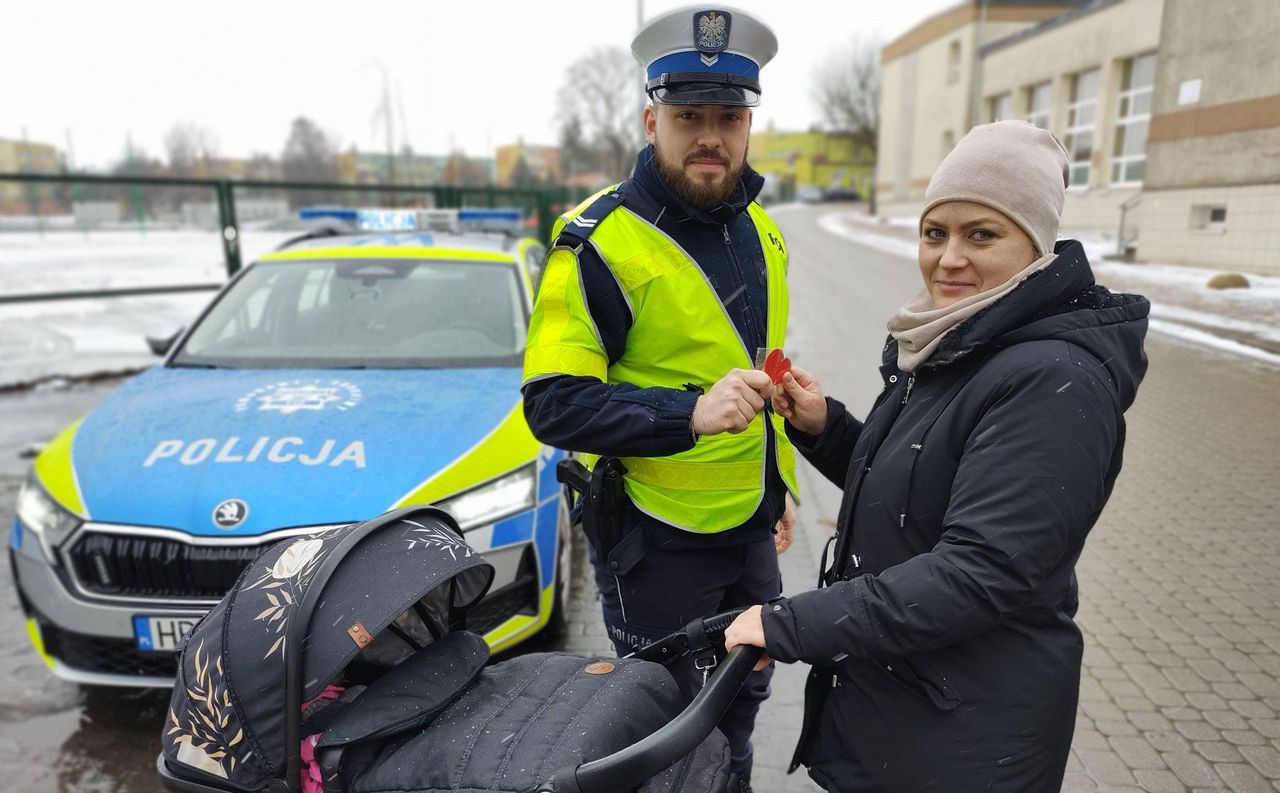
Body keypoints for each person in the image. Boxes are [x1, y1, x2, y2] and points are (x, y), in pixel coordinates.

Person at [724, 120, 1150, 792]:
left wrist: (789, 623)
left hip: (966, 738)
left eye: (982, 234)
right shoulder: (962, 341)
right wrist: (824, 427)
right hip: (909, 707)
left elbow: (980, 572)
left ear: (1036, 244)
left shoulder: (1050, 379)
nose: (949, 257)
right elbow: (920, 489)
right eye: (935, 232)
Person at [522, 5, 796, 782]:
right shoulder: (596, 242)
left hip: (748, 529)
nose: (710, 135)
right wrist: (689, 411)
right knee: (664, 725)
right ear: (652, 120)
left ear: (748, 128)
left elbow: (766, 369)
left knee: (743, 697)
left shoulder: (765, 235)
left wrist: (782, 486)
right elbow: (553, 403)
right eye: (688, 116)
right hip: (655, 542)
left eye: (727, 117)